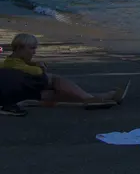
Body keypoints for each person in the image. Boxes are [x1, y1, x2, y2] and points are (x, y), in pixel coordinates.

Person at [0, 33, 128, 114]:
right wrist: (38, 65)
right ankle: (89, 98)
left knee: (51, 94)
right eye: (31, 49)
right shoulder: (12, 63)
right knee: (54, 79)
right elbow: (37, 73)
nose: (34, 52)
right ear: (19, 49)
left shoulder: (14, 62)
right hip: (19, 89)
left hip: (19, 92)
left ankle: (101, 97)